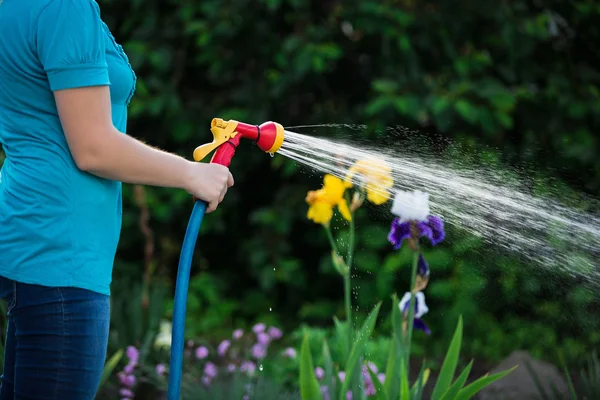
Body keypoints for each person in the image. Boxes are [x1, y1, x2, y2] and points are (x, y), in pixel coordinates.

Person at [0, 0, 234, 397]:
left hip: (33, 238)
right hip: (63, 254)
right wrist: (191, 173)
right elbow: (94, 148)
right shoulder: (63, 8)